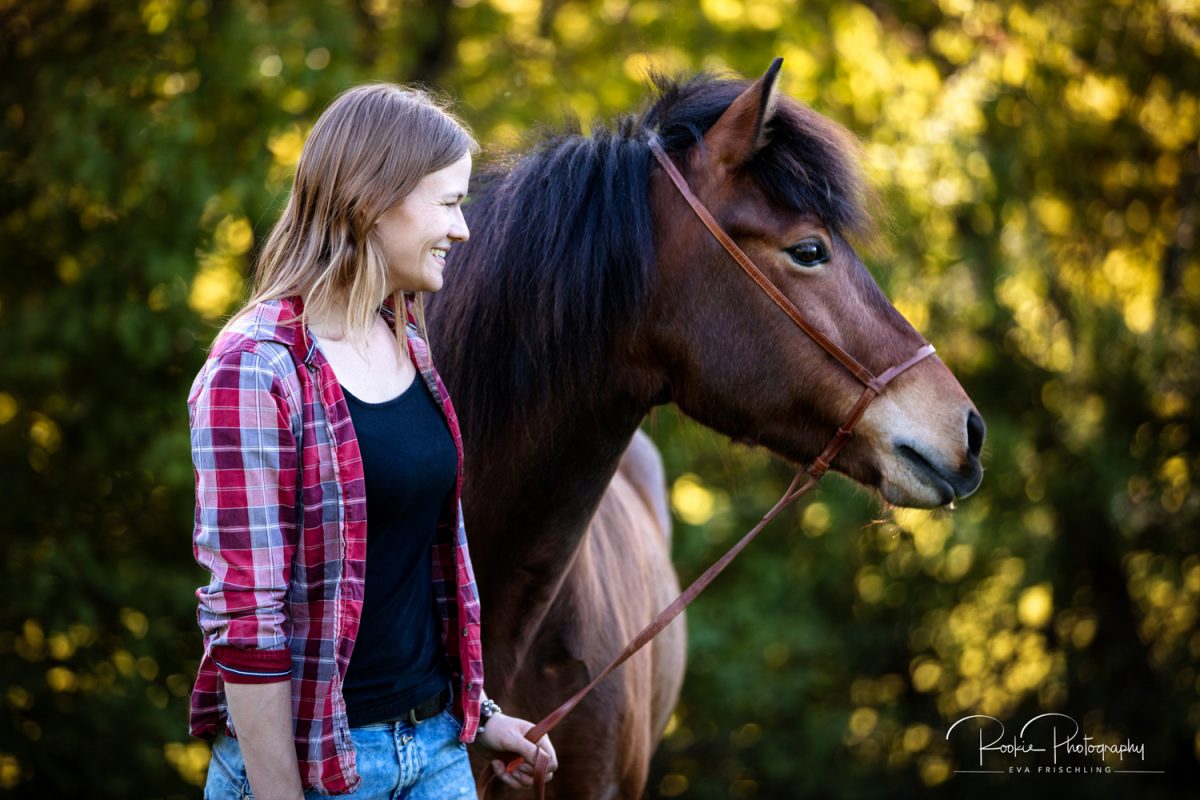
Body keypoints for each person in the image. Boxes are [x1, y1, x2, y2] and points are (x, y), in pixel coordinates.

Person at [187, 83, 557, 799]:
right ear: (372, 200)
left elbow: (406, 574)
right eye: (447, 204)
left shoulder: (407, 339)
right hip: (318, 767)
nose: (464, 229)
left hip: (437, 753)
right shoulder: (254, 369)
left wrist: (479, 719)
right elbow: (246, 622)